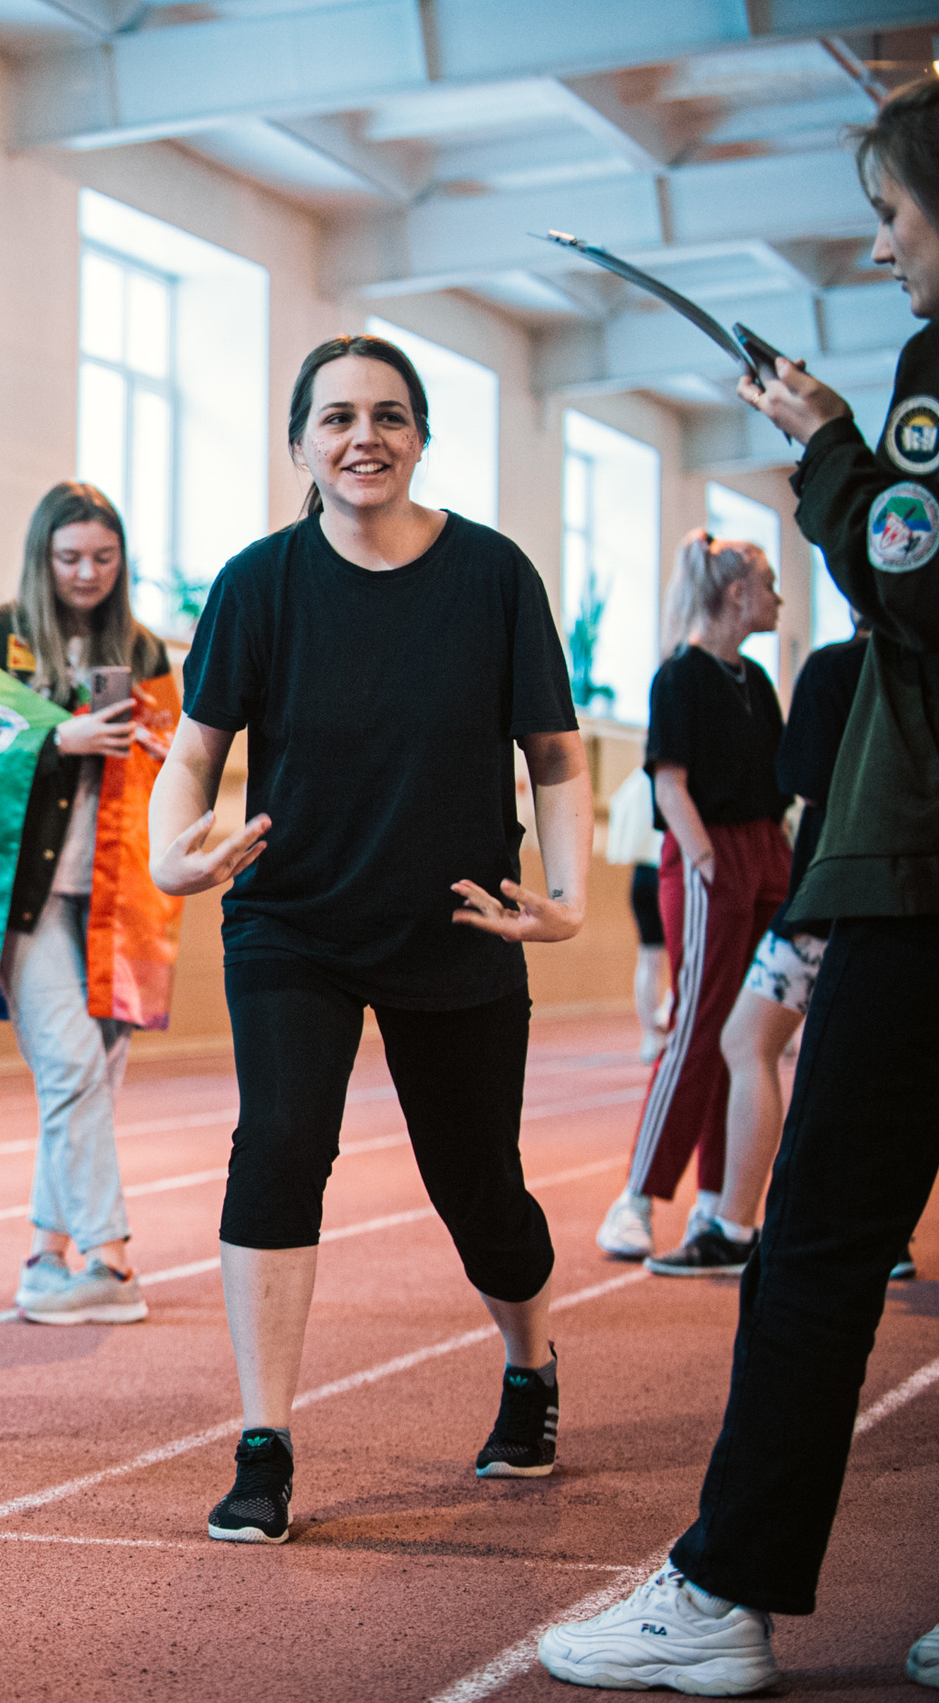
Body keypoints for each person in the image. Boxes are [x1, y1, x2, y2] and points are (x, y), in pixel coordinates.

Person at [537, 76, 939, 1693]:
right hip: (852, 866)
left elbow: (916, 581)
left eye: (900, 217)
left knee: (823, 1236)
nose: (884, 244)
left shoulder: (925, 378)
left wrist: (831, 453)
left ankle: (724, 1591)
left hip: (919, 877)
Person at [148, 335, 593, 1546]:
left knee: (477, 1188)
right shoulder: (258, 581)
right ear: (300, 443)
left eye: (390, 416)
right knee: (279, 1144)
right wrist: (167, 848)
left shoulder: (494, 576)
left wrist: (570, 892)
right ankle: (263, 1442)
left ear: (420, 436)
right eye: (337, 417)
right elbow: (193, 748)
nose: (365, 438)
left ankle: (529, 1366)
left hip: (455, 915)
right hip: (292, 918)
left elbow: (554, 753)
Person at [0, 481, 174, 1326]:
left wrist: (161, 743)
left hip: (119, 896)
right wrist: (61, 733)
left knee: (93, 1076)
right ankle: (110, 1259)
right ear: (42, 557)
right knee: (72, 1066)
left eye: (103, 557)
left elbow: (176, 758)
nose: (87, 572)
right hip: (28, 896)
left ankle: (46, 1253)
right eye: (69, 557)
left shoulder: (148, 649)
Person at [646, 633, 865, 1278]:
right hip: (866, 888)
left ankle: (735, 1227)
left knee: (744, 1040)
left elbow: (797, 778)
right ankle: (879, 1240)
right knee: (851, 1050)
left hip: (829, 885)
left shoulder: (834, 668)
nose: (774, 592)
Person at [595, 534, 788, 1264]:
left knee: (746, 1037)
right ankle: (636, 1198)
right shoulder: (679, 676)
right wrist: (707, 862)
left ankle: (717, 1205)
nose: (778, 597)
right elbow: (667, 782)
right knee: (698, 1029)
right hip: (709, 855)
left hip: (766, 850)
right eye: (769, 582)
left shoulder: (758, 681)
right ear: (737, 591)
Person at [602, 766, 672, 1063]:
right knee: (686, 957)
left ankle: (650, 1037)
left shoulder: (633, 783)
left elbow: (617, 808)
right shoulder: (672, 775)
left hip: (641, 876)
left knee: (648, 957)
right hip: (668, 872)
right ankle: (666, 1014)